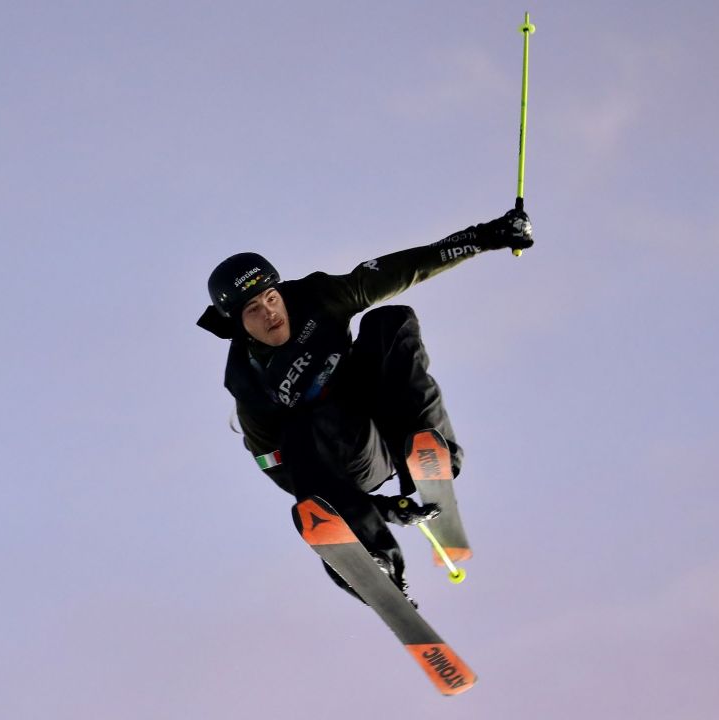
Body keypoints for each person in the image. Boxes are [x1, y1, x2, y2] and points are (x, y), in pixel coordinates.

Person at [197, 208, 533, 604]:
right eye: (254, 310)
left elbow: (404, 269)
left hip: (384, 422)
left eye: (271, 298)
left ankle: (425, 450)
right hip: (346, 467)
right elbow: (280, 470)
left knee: (390, 321)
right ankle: (373, 559)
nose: (270, 312)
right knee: (302, 431)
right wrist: (375, 509)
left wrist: (486, 236)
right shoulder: (247, 383)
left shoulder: (318, 298)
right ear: (239, 325)